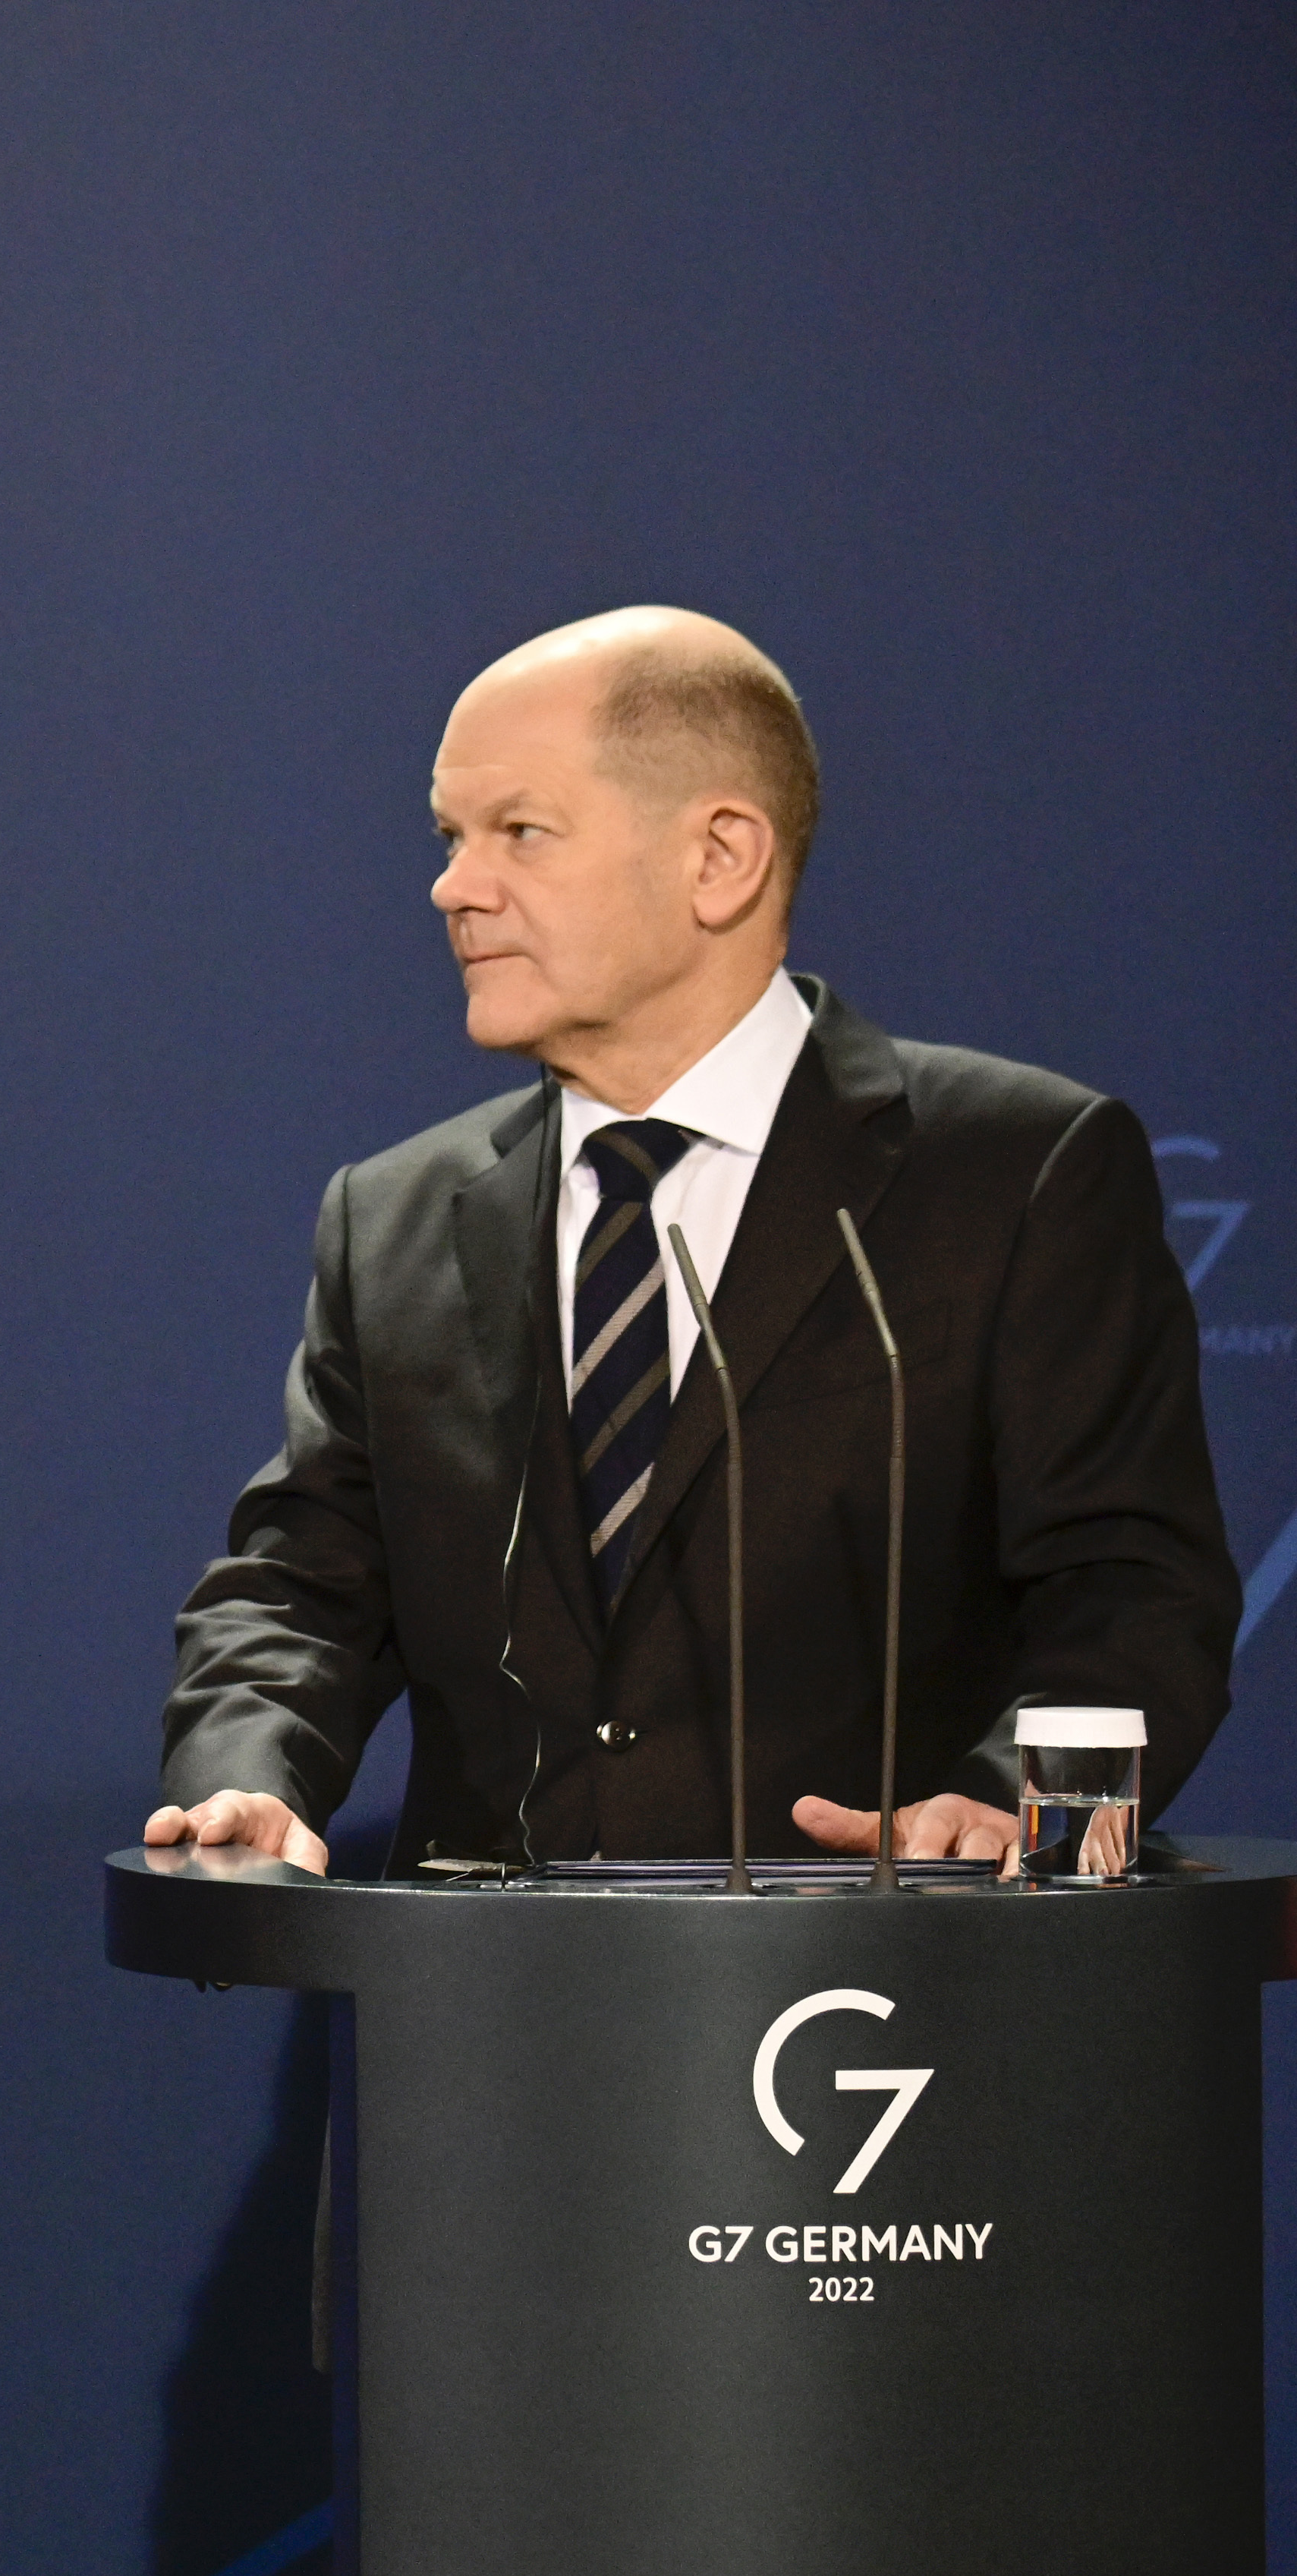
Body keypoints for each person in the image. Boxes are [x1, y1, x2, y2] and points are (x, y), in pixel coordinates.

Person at [150, 607, 1235, 1872]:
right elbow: (302, 1586)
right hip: (484, 2021)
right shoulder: (393, 1217)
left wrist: (1018, 1810)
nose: (454, 886)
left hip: (896, 2005)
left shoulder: (1016, 1172)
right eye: (450, 837)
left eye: (519, 832)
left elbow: (1132, 1590)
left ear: (721, 857)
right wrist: (250, 1777)